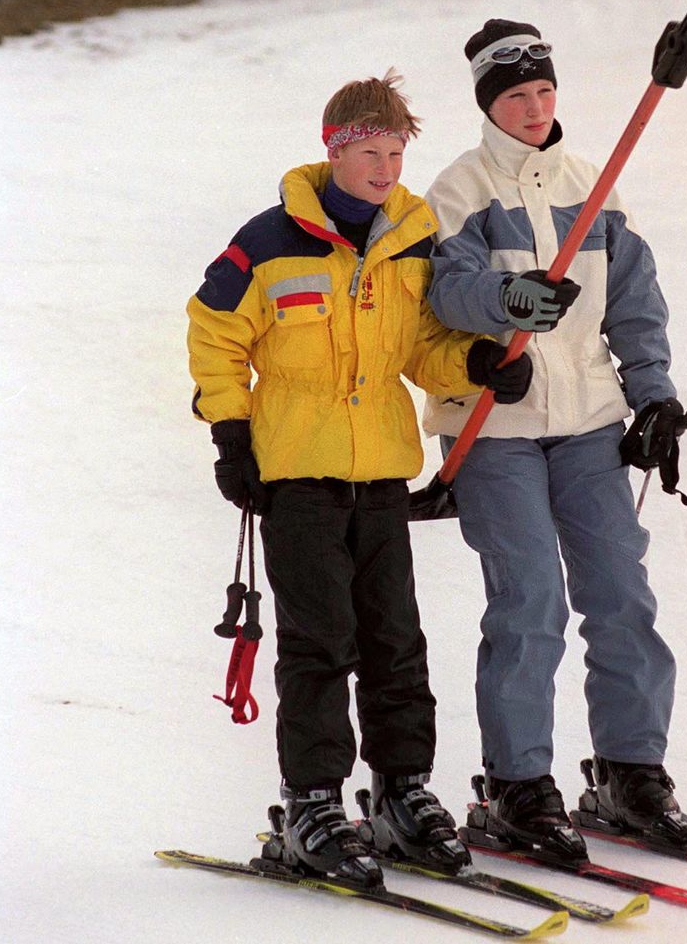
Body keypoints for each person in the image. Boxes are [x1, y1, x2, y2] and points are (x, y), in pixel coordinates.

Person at [186, 70, 532, 885]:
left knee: (394, 640)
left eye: (396, 153)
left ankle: (402, 791)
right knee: (320, 642)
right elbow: (214, 331)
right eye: (371, 152)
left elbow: (421, 346)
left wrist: (476, 363)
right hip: (297, 477)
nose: (386, 169)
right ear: (334, 150)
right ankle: (312, 802)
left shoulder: (410, 240)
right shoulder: (268, 241)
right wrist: (231, 433)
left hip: (380, 475)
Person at [422, 21, 687, 859]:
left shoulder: (595, 186)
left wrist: (653, 397)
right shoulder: (459, 190)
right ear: (488, 102)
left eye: (544, 90)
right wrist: (504, 300)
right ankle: (518, 784)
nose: (535, 108)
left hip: (587, 424)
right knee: (531, 598)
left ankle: (630, 769)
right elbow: (445, 289)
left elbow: (635, 303)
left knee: (621, 592)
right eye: (517, 95)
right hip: (495, 426)